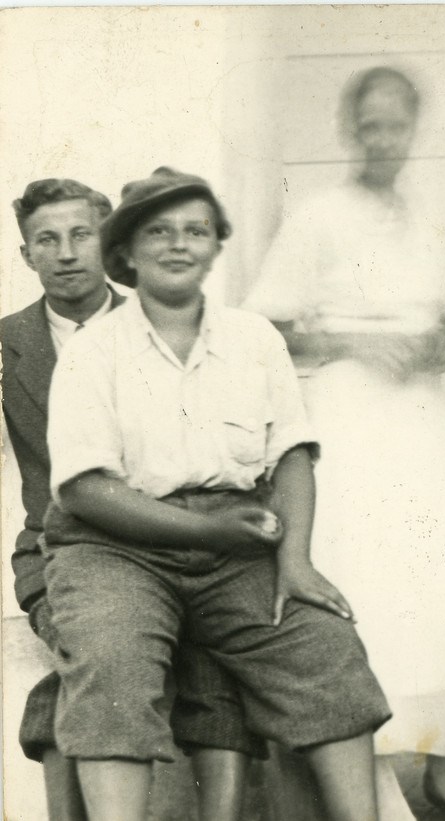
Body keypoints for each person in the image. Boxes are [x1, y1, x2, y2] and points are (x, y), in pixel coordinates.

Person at [40, 166, 390, 821]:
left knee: (324, 645)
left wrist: (295, 561)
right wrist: (209, 533)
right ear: (126, 250)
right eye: (159, 231)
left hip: (236, 546)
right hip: (114, 547)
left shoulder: (254, 338)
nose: (178, 244)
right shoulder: (93, 350)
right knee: (111, 660)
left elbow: (291, 453)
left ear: (214, 245)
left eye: (196, 230)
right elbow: (86, 489)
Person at [244, 66, 445, 821]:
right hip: (351, 419)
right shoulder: (320, 217)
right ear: (350, 129)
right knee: (373, 581)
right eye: (371, 125)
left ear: (413, 129)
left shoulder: (426, 215)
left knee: (439, 584)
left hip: (420, 425)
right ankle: (374, 771)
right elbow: (263, 323)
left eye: (397, 125)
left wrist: (429, 345)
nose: (384, 139)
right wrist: (356, 342)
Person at [1, 178, 264, 821]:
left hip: (183, 539)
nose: (66, 253)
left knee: (213, 666)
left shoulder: (167, 323)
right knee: (92, 659)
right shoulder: (6, 344)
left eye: (82, 235)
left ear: (111, 242)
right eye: (47, 240)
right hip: (61, 550)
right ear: (26, 255)